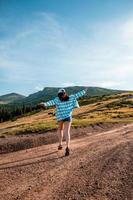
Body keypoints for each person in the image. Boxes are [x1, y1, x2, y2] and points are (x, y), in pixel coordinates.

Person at [39, 88, 87, 156]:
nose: (61, 96)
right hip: (67, 117)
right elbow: (79, 94)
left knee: (60, 130)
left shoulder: (57, 99)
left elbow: (50, 102)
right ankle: (67, 147)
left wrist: (44, 104)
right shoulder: (71, 97)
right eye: (61, 95)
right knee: (66, 131)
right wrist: (85, 90)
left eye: (61, 95)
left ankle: (60, 144)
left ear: (62, 94)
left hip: (60, 117)